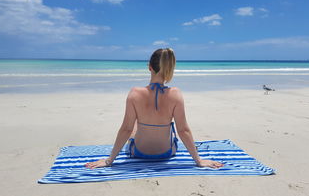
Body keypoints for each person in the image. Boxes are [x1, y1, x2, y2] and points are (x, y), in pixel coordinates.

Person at [85, 48, 224, 169]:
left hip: (138, 152)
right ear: (169, 69)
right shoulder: (175, 94)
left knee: (132, 126)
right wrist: (198, 161)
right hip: (167, 153)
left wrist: (109, 161)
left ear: (149, 67)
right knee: (171, 129)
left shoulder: (134, 93)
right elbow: (183, 130)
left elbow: (126, 130)